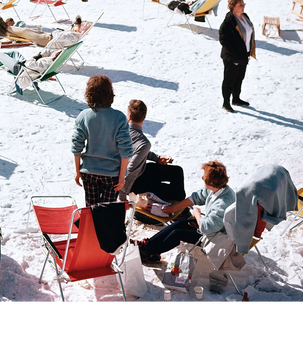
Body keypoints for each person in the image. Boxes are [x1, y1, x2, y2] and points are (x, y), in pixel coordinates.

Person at [136, 161, 235, 263]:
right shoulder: (218, 189)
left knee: (177, 234)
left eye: (204, 177)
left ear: (211, 182)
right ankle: (148, 245)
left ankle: (151, 253)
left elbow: (207, 228)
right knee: (179, 224)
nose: (202, 178)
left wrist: (197, 215)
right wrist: (173, 208)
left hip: (217, 238)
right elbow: (197, 197)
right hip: (212, 227)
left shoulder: (222, 203)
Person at [71, 75, 133, 206]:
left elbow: (77, 146)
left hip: (89, 172)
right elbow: (125, 151)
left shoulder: (84, 116)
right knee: (106, 213)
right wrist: (122, 177)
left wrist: (78, 171)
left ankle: (90, 227)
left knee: (91, 210)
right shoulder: (119, 118)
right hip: (112, 175)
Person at [118, 99, 185, 201]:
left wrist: (157, 158)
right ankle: (179, 207)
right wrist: (122, 198)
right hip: (133, 183)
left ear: (129, 117)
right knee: (176, 192)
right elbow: (131, 170)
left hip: (138, 173)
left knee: (176, 172)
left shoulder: (121, 131)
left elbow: (137, 151)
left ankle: (174, 202)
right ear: (144, 118)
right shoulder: (144, 142)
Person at [219, 0, 255, 112]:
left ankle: (236, 99)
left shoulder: (244, 17)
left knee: (239, 78)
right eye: (240, 4)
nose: (243, 6)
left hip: (244, 55)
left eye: (243, 4)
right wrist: (234, 56)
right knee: (229, 80)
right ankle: (226, 103)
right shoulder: (229, 21)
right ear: (233, 7)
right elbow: (224, 40)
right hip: (232, 57)